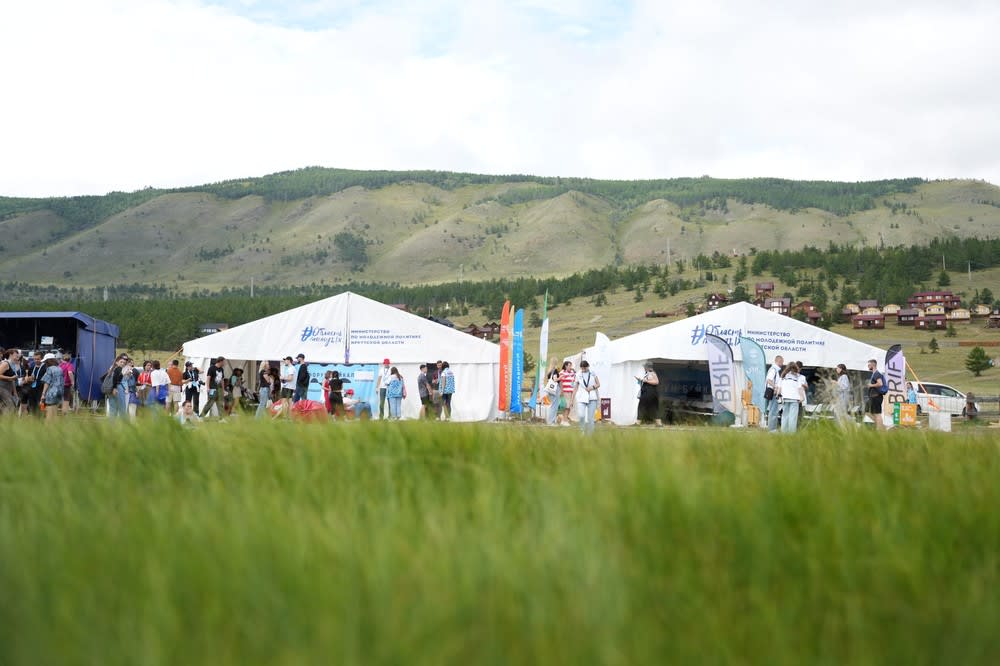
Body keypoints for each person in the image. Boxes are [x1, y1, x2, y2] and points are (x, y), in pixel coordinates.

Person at [575, 360, 600, 435]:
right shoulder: (578, 374)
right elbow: (575, 388)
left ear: (588, 366)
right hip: (581, 397)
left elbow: (598, 384)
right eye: (582, 368)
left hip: (592, 397)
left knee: (590, 418)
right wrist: (571, 400)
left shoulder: (593, 373)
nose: (583, 370)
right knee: (581, 415)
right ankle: (582, 432)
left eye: (584, 368)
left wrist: (592, 387)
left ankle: (590, 434)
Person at [779, 363, 805, 433]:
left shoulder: (783, 376)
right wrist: (802, 397)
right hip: (794, 399)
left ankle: (783, 432)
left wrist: (779, 396)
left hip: (785, 398)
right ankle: (791, 434)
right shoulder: (797, 377)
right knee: (792, 417)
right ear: (796, 368)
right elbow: (799, 388)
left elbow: (780, 388)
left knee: (785, 416)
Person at [39, 353, 65, 421]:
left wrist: (43, 394)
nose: (45, 363)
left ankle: (48, 427)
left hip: (51, 394)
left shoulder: (49, 369)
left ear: (48, 361)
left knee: (49, 415)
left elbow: (47, 382)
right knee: (55, 413)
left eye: (45, 361)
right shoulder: (59, 368)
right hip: (59, 393)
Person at [636, 361, 661, 425]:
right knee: (653, 407)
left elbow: (656, 382)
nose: (644, 368)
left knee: (642, 406)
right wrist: (641, 380)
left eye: (645, 366)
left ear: (647, 367)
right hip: (648, 392)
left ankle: (638, 422)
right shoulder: (648, 373)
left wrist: (646, 381)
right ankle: (659, 423)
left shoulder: (652, 373)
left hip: (650, 392)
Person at [765, 355, 784, 431]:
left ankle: (772, 428)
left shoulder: (774, 370)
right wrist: (775, 387)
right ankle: (772, 429)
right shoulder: (774, 370)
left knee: (773, 410)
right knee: (773, 411)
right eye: (782, 362)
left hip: (773, 392)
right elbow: (769, 380)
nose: (782, 364)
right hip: (773, 393)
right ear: (779, 361)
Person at [0, 348, 21, 415]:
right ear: (10, 355)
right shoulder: (5, 363)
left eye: (18, 355)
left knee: (5, 407)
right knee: (11, 406)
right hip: (2, 388)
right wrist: (10, 378)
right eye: (16, 355)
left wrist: (15, 392)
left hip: (7, 389)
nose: (17, 357)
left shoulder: (13, 364)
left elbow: (13, 380)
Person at [867, 358, 886, 430]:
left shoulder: (876, 374)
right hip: (874, 396)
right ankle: (881, 426)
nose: (868, 366)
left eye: (869, 365)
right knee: (870, 412)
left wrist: (871, 385)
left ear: (873, 365)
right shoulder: (874, 374)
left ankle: (880, 429)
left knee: (877, 413)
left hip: (876, 396)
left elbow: (880, 384)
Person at [558, 361, 576, 426]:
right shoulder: (562, 372)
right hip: (565, 391)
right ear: (565, 366)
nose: (570, 367)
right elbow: (560, 382)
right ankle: (565, 420)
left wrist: (574, 371)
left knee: (570, 406)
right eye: (569, 366)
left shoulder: (572, 372)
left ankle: (564, 420)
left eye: (571, 366)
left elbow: (575, 378)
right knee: (566, 406)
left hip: (571, 391)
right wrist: (561, 390)